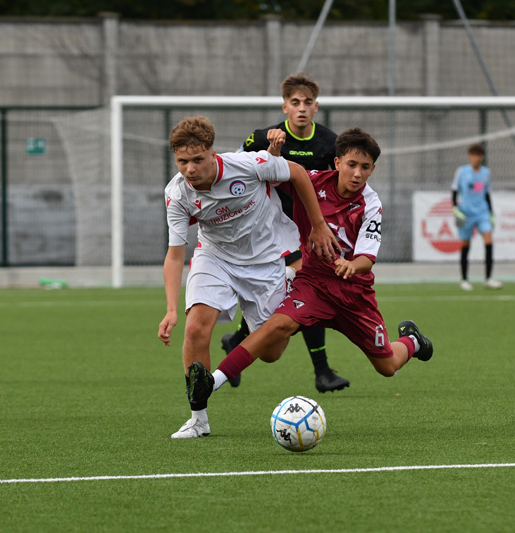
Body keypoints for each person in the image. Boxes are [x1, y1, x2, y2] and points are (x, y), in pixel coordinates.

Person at [182, 128, 434, 437]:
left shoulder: (371, 204)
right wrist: (274, 152)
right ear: (337, 162)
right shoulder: (313, 180)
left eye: (365, 167)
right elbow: (270, 174)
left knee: (388, 367)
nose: (357, 174)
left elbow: (367, 258)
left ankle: (413, 341)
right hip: (313, 283)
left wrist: (350, 265)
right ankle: (213, 382)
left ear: (372, 169)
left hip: (354, 294)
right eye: (351, 165)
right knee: (276, 327)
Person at [159, 116, 340, 439]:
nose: (190, 169)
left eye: (197, 159)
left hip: (265, 262)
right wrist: (172, 309)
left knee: (271, 353)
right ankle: (198, 419)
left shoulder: (248, 165)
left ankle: (288, 280)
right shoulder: (177, 193)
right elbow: (174, 255)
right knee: (196, 328)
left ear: (212, 153)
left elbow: (298, 173)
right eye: (182, 161)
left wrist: (318, 225)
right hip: (215, 258)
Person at [221, 73, 349, 393]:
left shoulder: (330, 143)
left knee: (297, 294)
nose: (301, 108)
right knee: (306, 291)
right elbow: (235, 171)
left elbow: (338, 186)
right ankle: (321, 371)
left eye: (308, 102)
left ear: (316, 107)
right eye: (295, 102)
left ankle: (238, 341)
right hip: (270, 230)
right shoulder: (262, 138)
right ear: (285, 107)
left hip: (310, 230)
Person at [451, 143, 502, 291]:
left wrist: (491, 213)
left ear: (482, 157)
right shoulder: (461, 172)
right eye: (474, 155)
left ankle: (488, 278)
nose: (476, 158)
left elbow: (487, 194)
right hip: (466, 213)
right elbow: (454, 191)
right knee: (465, 245)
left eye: (479, 155)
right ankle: (464, 279)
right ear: (470, 156)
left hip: (482, 212)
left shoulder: (486, 173)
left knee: (488, 240)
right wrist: (455, 209)